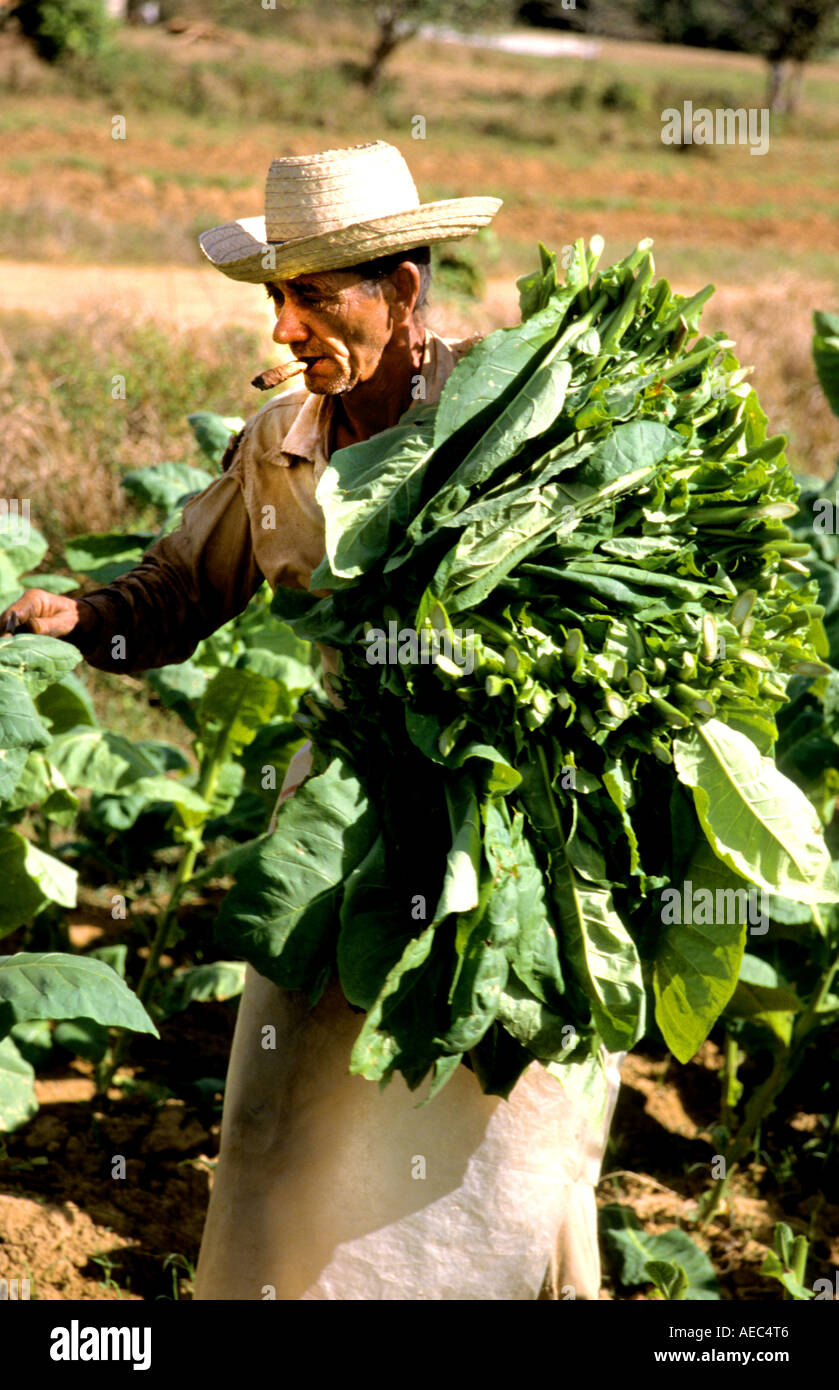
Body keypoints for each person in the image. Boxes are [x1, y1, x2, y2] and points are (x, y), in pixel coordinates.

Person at [0, 141, 623, 1300]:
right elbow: (177, 598)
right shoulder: (280, 442)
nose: (282, 330)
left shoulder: (519, 415)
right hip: (341, 824)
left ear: (401, 287)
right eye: (274, 298)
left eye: (309, 297)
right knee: (286, 1133)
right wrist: (75, 617)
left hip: (516, 828)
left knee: (512, 1147)